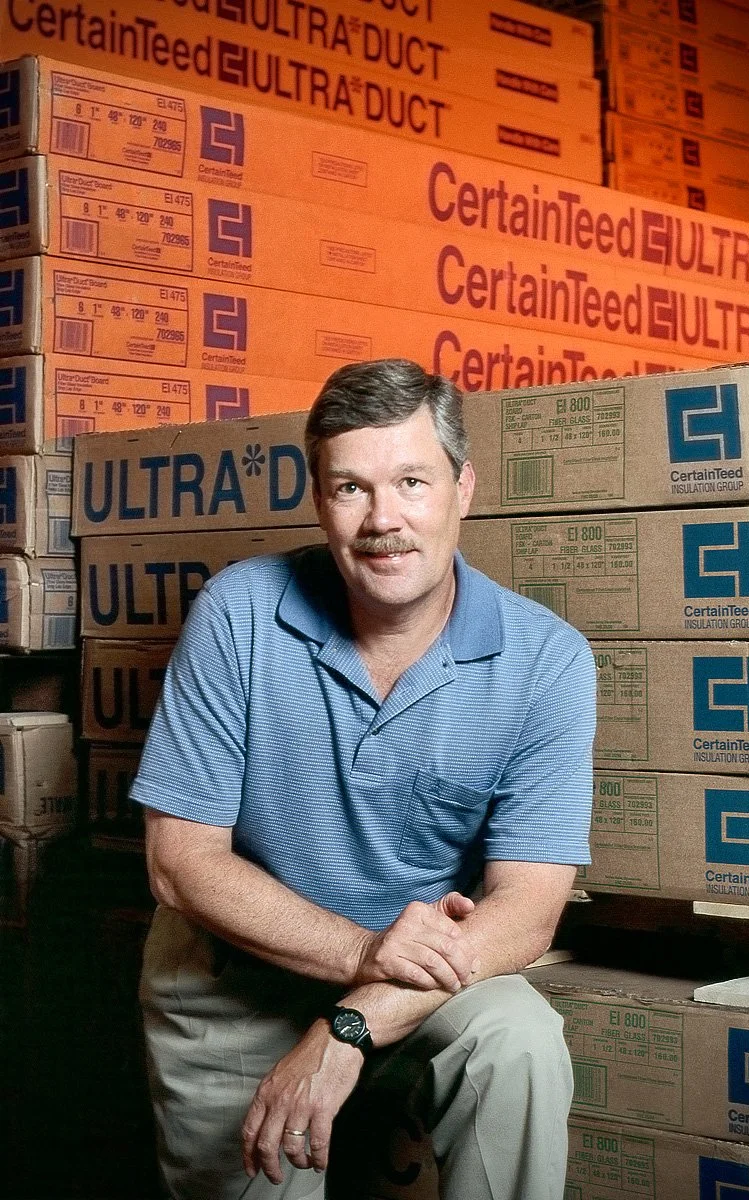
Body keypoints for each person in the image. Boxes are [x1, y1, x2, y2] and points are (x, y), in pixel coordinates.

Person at [132, 358, 597, 1200]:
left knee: (516, 1039)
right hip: (233, 985)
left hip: (414, 989)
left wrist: (351, 1020)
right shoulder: (238, 614)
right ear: (318, 501)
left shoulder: (545, 659)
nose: (384, 519)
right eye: (350, 489)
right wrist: (359, 949)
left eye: (412, 481)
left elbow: (526, 912)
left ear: (464, 488)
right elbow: (177, 861)